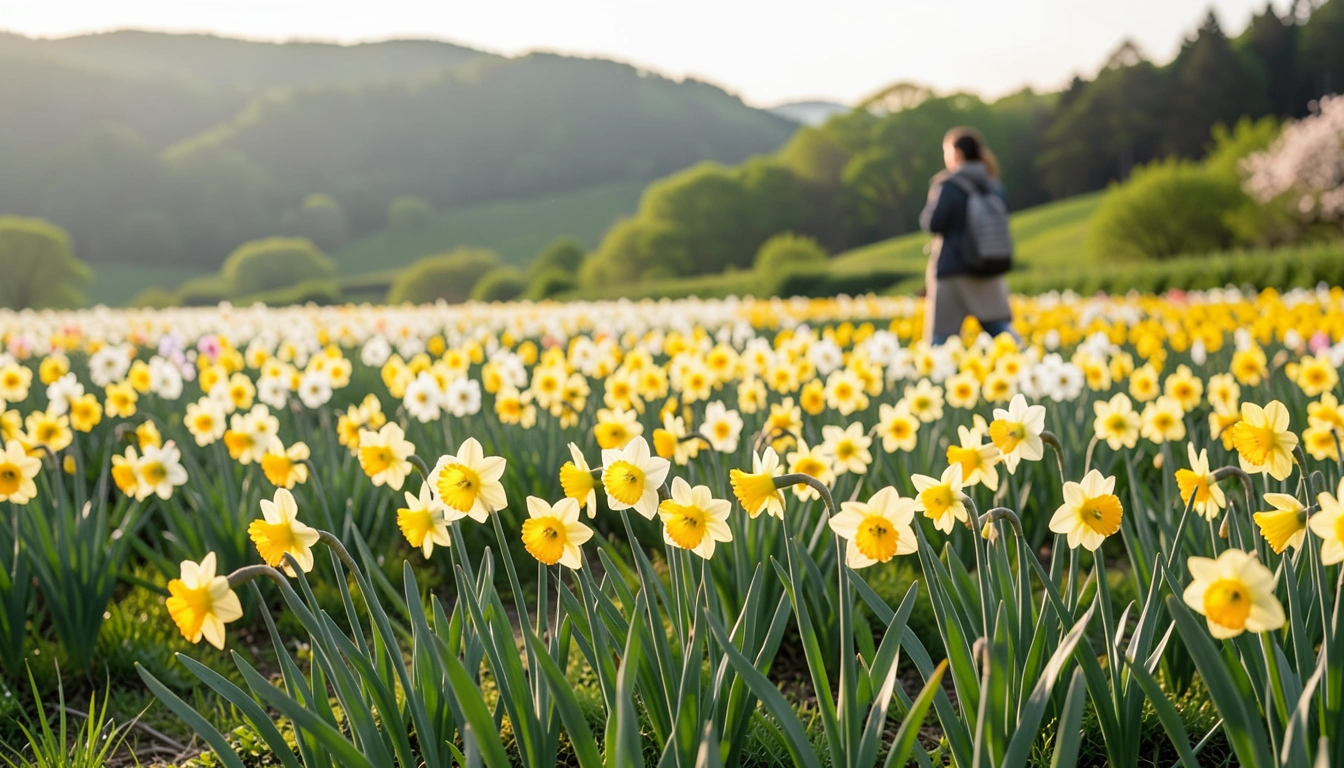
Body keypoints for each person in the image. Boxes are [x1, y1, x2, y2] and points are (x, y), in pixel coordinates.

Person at [919, 127, 1016, 345]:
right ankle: (1027, 361)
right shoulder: (992, 184)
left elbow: (933, 223)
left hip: (953, 269)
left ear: (957, 154)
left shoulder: (949, 185)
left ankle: (936, 378)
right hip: (987, 265)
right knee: (998, 327)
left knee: (941, 339)